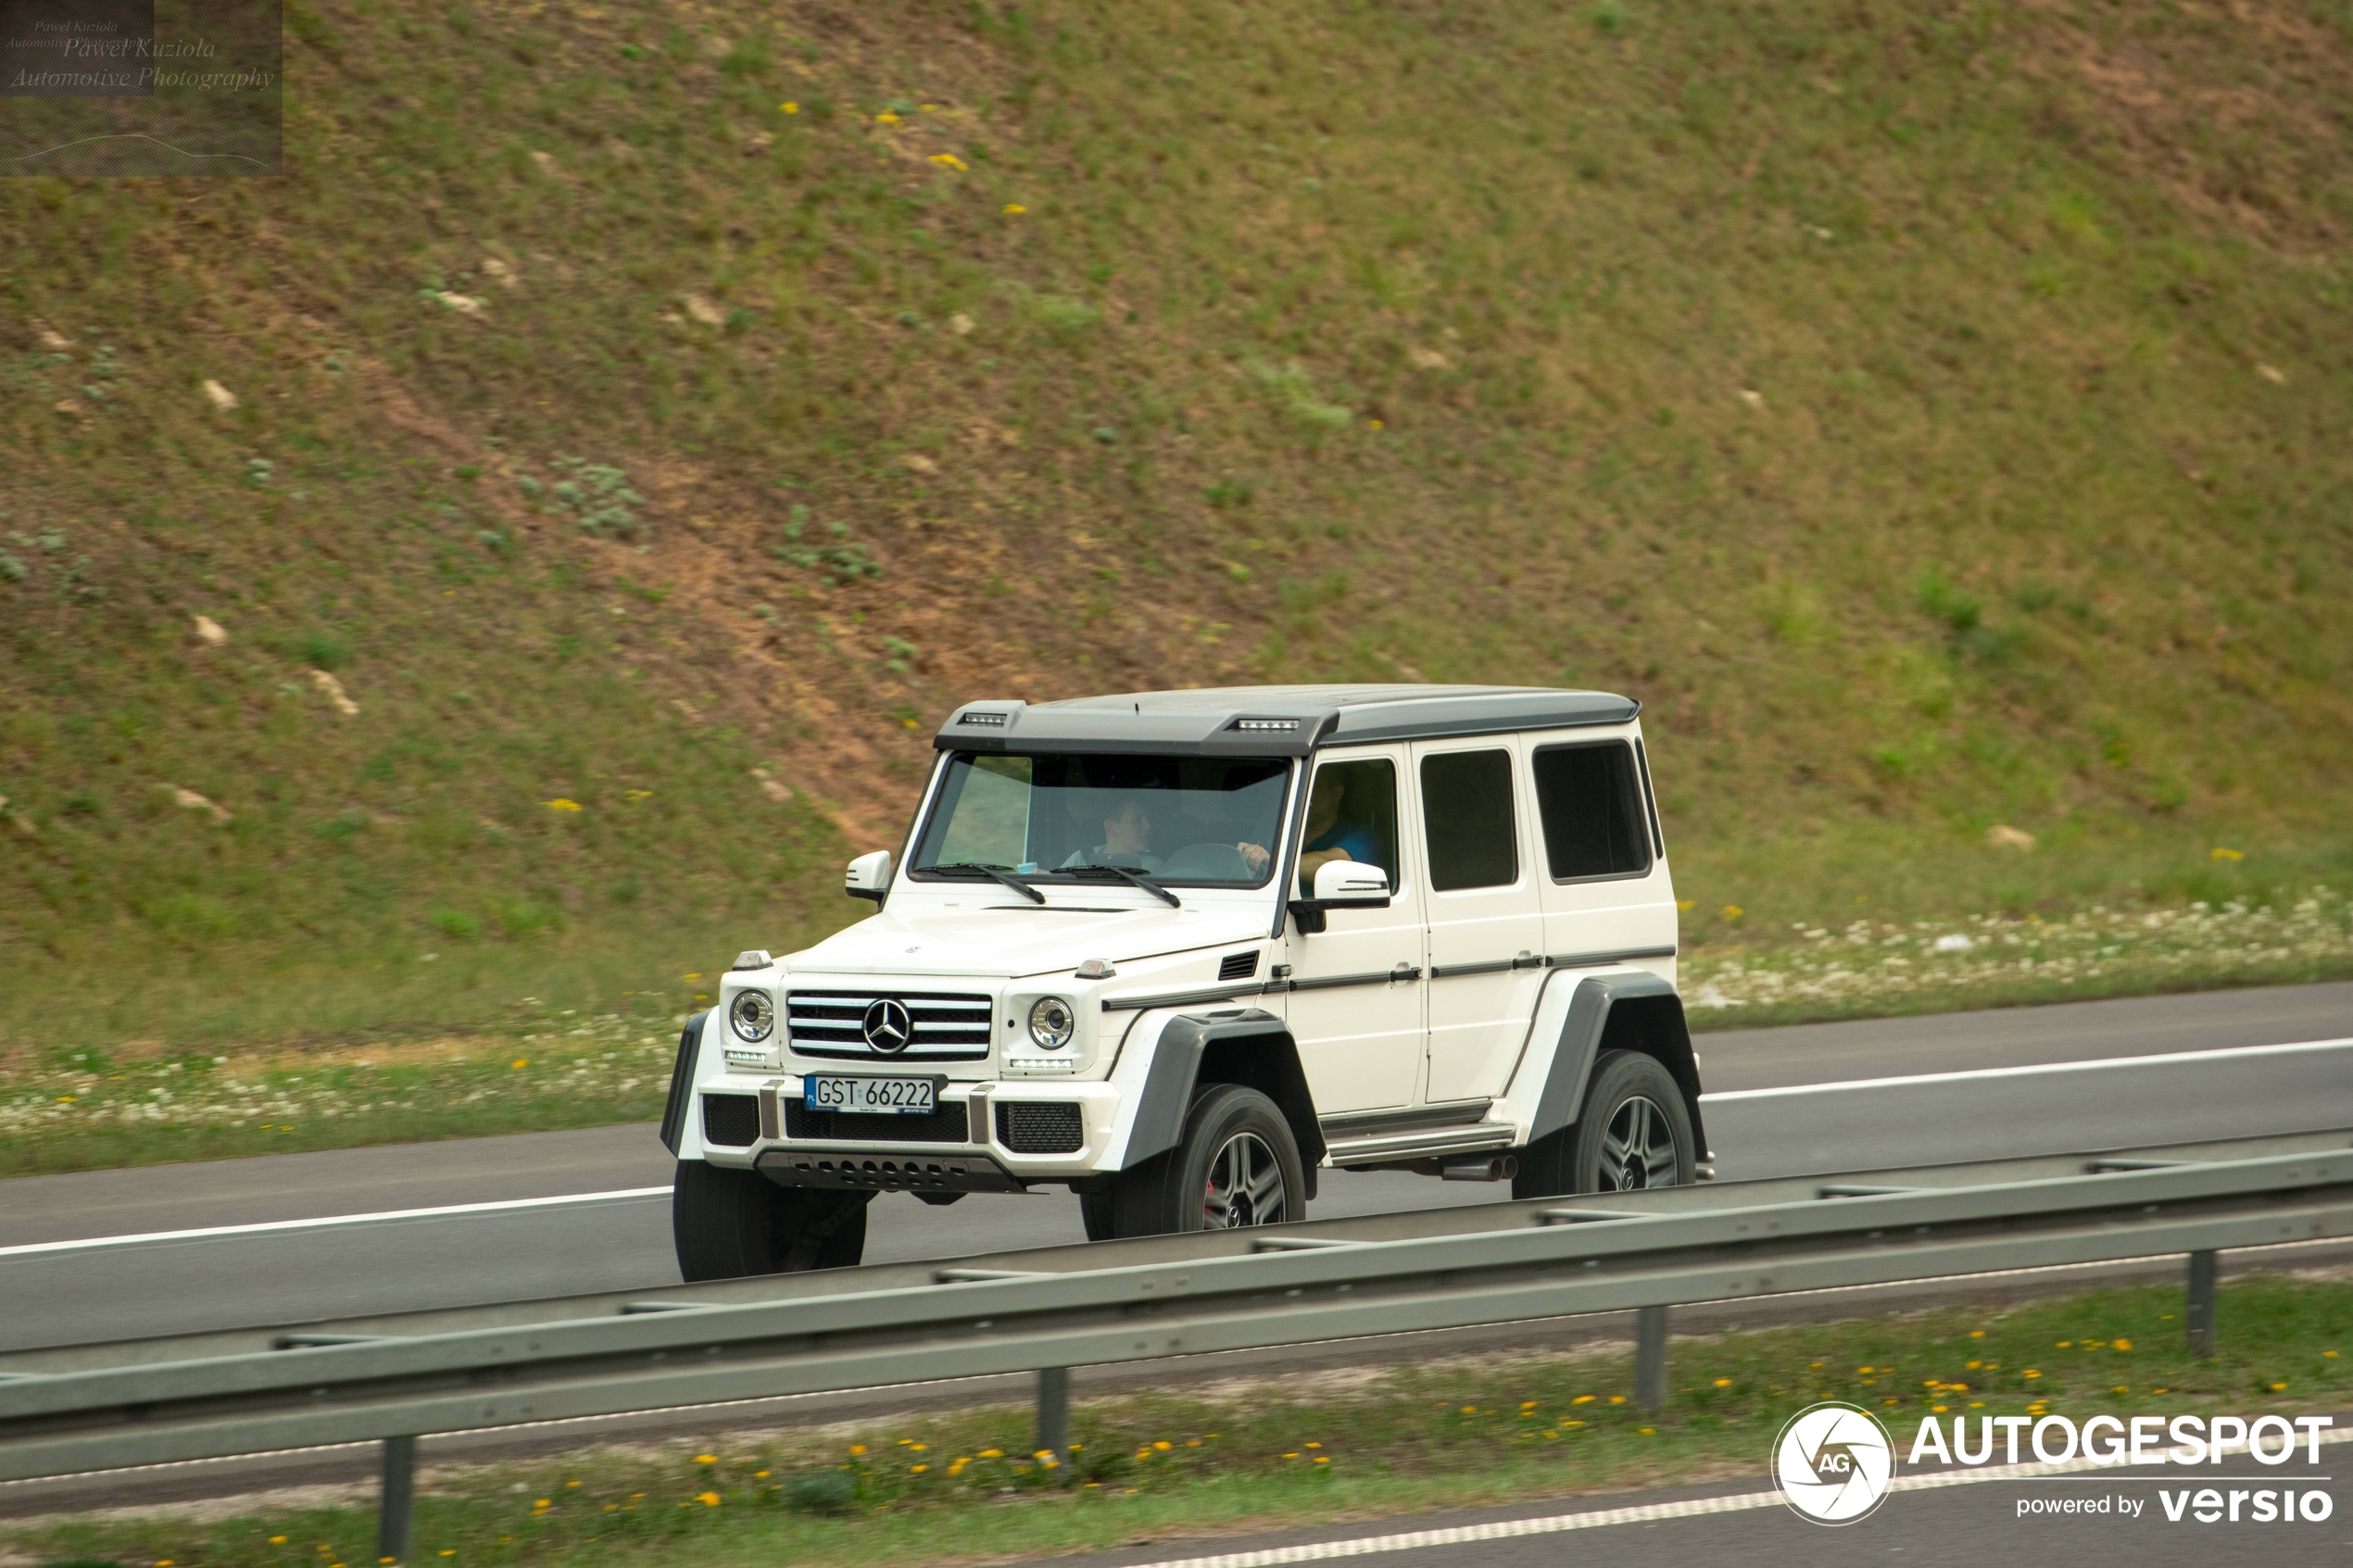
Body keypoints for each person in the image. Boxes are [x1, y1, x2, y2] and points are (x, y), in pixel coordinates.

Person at [1294, 767, 1381, 894]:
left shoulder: (1364, 838)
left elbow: (1329, 864)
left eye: (1316, 787)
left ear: (1336, 794)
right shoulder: (1284, 834)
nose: (1306, 794)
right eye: (1302, 787)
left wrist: (1274, 866)